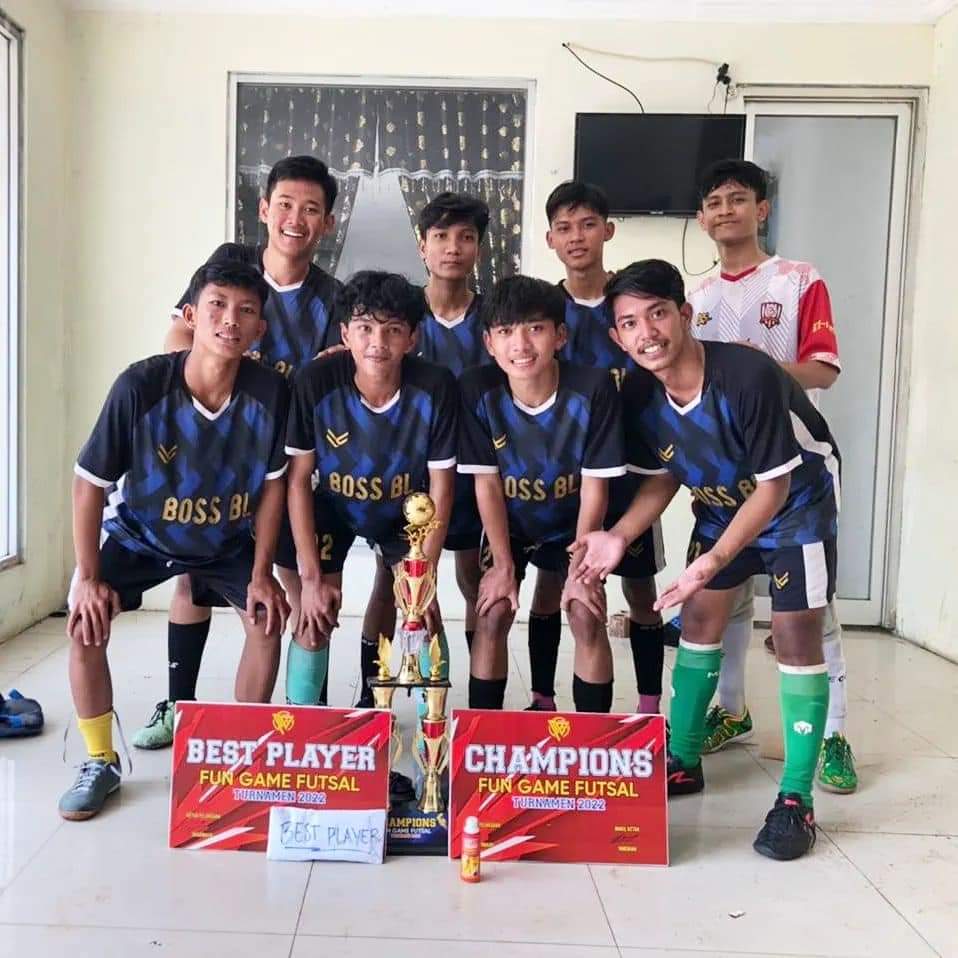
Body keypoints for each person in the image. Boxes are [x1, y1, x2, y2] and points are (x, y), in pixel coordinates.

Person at [574, 259, 841, 860]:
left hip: (798, 502)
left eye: (658, 314)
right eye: (630, 323)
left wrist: (713, 561)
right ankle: (684, 758)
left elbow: (774, 486)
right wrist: (617, 535)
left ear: (685, 315)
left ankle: (796, 799)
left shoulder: (747, 376)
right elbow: (664, 473)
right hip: (721, 505)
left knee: (796, 635)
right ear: (617, 335)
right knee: (697, 620)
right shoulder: (640, 391)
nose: (647, 333)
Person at [60, 261, 290, 820]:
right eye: (217, 305)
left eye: (246, 311)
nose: (230, 320)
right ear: (190, 315)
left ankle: (244, 753)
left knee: (266, 618)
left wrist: (263, 573)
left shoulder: (271, 392)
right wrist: (87, 577)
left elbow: (273, 488)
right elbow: (89, 485)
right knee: (84, 622)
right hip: (139, 535)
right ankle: (99, 760)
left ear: (260, 329)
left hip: (225, 540)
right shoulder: (139, 387)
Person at [134, 155, 342, 747]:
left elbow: (332, 378)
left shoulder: (334, 297)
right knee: (192, 580)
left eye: (311, 209)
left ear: (327, 223)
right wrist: (226, 367)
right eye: (285, 205)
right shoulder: (229, 266)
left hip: (290, 467)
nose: (295, 219)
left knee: (301, 591)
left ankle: (302, 717)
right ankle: (177, 704)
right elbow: (179, 335)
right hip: (217, 458)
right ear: (264, 209)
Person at [689, 159, 856, 793]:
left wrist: (757, 372)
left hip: (798, 465)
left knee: (811, 610)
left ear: (761, 210)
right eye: (714, 202)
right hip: (725, 473)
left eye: (738, 199)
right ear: (702, 219)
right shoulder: (696, 297)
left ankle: (833, 733)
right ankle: (732, 712)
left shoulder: (798, 280)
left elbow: (823, 369)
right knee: (724, 596)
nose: (725, 210)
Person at [520, 180, 665, 715]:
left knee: (640, 591)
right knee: (552, 584)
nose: (576, 237)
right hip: (561, 477)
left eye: (587, 225)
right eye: (564, 228)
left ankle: (648, 709)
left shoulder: (631, 303)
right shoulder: (543, 308)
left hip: (631, 472)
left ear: (608, 230)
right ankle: (542, 699)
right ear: (550, 240)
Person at [285, 271, 458, 709]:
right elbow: (298, 481)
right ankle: (304, 725)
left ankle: (409, 721)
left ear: (412, 338)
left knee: (423, 614)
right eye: (364, 328)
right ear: (345, 334)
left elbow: (442, 485)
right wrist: (310, 580)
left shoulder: (435, 387)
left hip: (404, 511)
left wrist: (424, 575)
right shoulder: (315, 381)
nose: (377, 342)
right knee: (313, 614)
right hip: (332, 507)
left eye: (393, 330)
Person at [459, 276, 621, 714]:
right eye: (506, 331)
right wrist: (502, 564)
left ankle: (592, 739)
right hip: (510, 525)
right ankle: (483, 735)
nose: (521, 344)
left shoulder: (593, 388)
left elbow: (595, 485)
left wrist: (581, 566)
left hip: (573, 524)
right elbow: (486, 483)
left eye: (535, 328)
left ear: (559, 335)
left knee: (585, 611)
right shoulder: (476, 390)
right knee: (492, 610)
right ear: (489, 343)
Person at [354, 192, 490, 707]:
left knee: (473, 580)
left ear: (478, 247)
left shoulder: (492, 315)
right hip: (409, 473)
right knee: (390, 580)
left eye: (466, 237)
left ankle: (471, 698)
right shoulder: (400, 311)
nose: (453, 248)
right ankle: (372, 692)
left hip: (473, 471)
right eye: (441, 236)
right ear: (422, 245)